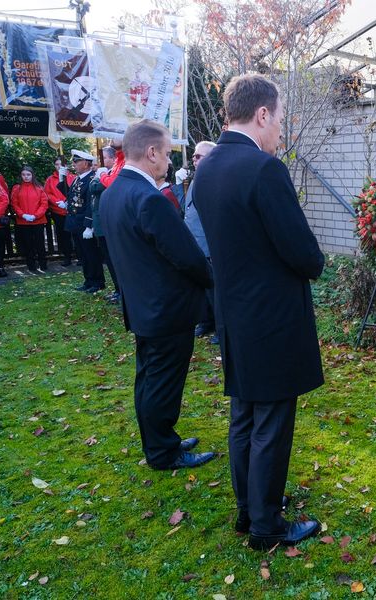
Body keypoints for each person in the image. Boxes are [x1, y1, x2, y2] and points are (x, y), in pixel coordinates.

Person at [195, 74, 325, 551]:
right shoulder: (263, 169)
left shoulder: (207, 169)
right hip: (271, 316)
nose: (280, 132)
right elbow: (299, 249)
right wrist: (317, 262)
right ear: (262, 114)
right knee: (270, 420)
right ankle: (267, 526)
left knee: (244, 416)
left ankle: (249, 510)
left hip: (233, 313)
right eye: (280, 119)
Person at [99, 119, 215, 471]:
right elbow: (187, 255)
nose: (168, 162)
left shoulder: (113, 192)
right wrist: (212, 278)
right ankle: (164, 452)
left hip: (142, 305)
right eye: (165, 154)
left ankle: (159, 440)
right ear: (151, 152)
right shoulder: (149, 199)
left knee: (148, 379)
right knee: (162, 383)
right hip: (166, 310)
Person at [183, 140, 217, 340]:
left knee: (215, 291)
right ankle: (206, 321)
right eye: (194, 156)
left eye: (198, 156)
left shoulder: (216, 181)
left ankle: (221, 328)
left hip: (209, 246)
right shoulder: (197, 179)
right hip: (195, 245)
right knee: (202, 289)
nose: (194, 160)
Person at [59, 148, 104, 292]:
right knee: (82, 254)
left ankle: (97, 282)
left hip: (84, 223)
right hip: (75, 222)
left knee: (91, 254)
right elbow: (71, 196)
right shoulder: (79, 178)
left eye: (76, 161)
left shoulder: (91, 178)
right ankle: (88, 280)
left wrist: (88, 225)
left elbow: (91, 204)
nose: (74, 164)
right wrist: (62, 180)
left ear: (86, 163)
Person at [91, 147, 121, 304]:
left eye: (104, 158)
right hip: (102, 224)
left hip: (109, 224)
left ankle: (121, 290)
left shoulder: (113, 173)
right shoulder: (106, 173)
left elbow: (98, 187)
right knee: (109, 260)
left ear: (113, 159)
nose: (101, 162)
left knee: (115, 260)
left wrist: (101, 175)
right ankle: (118, 289)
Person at [11, 166, 49, 273]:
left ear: (32, 175)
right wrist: (22, 215)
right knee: (28, 244)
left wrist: (36, 215)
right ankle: (31, 265)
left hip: (38, 220)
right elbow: (14, 203)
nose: (26, 177)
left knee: (40, 243)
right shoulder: (17, 188)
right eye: (23, 175)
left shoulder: (39, 188)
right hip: (23, 221)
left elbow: (44, 204)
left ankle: (43, 264)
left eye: (28, 175)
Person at [45, 156, 76, 266]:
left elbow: (76, 192)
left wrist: (68, 203)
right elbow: (47, 194)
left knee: (75, 234)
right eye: (57, 164)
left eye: (61, 164)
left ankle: (80, 257)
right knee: (63, 235)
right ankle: (66, 257)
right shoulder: (50, 179)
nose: (59, 166)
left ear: (66, 166)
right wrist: (58, 202)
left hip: (72, 211)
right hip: (58, 211)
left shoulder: (72, 177)